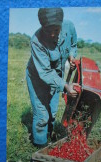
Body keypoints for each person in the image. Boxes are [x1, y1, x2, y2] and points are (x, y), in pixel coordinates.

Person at [26, 8, 80, 147]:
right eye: (47, 30)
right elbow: (45, 72)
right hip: (38, 77)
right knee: (42, 114)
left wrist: (71, 56)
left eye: (56, 30)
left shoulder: (69, 26)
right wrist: (66, 86)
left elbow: (73, 45)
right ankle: (40, 146)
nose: (52, 34)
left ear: (61, 24)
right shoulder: (36, 41)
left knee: (52, 112)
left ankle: (49, 136)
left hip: (56, 75)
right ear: (42, 27)